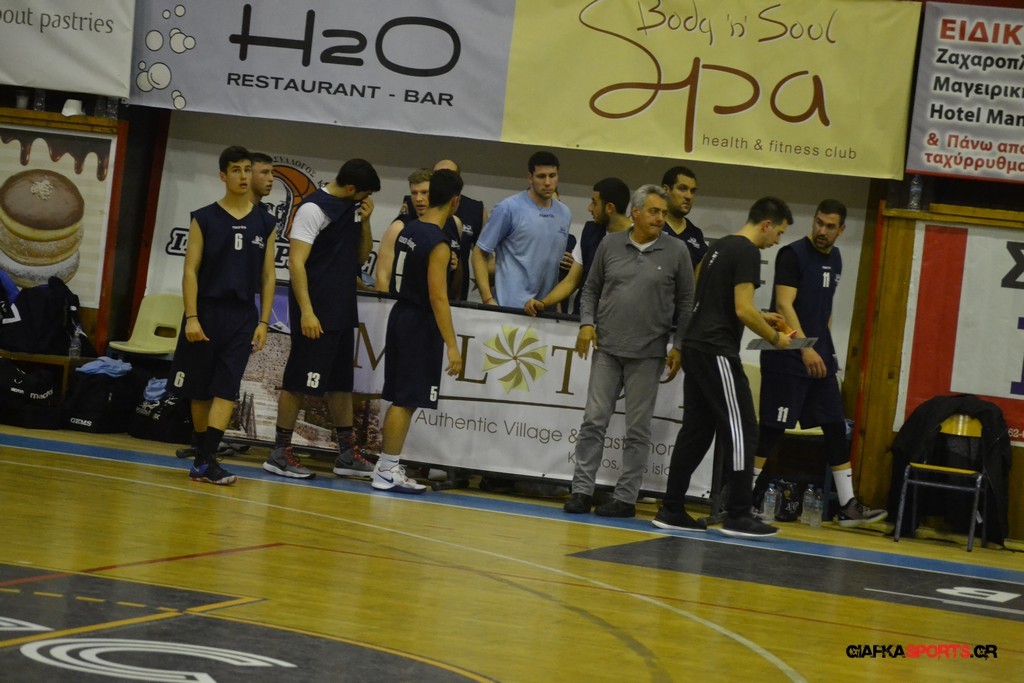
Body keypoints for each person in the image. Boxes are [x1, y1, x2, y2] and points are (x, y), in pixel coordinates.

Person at [654, 196, 794, 538]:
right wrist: (775, 339)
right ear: (766, 225)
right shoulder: (747, 251)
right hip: (716, 349)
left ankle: (672, 508)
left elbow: (712, 299)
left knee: (697, 430)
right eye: (779, 232)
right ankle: (739, 515)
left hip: (697, 345)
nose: (777, 240)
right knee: (744, 428)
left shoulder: (719, 247)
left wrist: (762, 316)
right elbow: (742, 309)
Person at [752, 200, 887, 526]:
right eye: (819, 223)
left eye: (830, 226)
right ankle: (741, 497)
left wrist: (826, 348)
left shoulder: (836, 258)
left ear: (841, 230)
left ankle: (848, 505)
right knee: (773, 428)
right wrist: (805, 347)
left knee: (834, 425)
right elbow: (784, 306)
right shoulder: (793, 255)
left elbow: (823, 310)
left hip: (819, 356)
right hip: (788, 355)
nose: (822, 231)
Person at [563, 185, 694, 517]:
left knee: (638, 429)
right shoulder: (610, 244)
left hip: (649, 354)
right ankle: (581, 491)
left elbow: (686, 303)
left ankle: (625, 498)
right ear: (635, 212)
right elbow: (590, 289)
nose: (660, 218)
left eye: (663, 213)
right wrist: (586, 324)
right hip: (607, 348)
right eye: (654, 212)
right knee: (594, 421)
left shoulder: (677, 251)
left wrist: (678, 345)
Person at [262, 159, 381, 480]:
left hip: (342, 310)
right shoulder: (313, 209)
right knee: (297, 382)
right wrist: (307, 311)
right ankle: (279, 453)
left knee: (341, 385)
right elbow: (296, 263)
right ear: (351, 187)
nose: (366, 199)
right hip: (315, 312)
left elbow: (360, 257)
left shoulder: (351, 209)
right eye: (365, 194)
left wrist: (366, 222)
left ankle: (347, 455)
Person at [171, 146, 277, 485]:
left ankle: (206, 460)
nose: (243, 176)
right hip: (206, 311)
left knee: (227, 389)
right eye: (236, 170)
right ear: (223, 175)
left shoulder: (265, 222)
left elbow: (268, 276)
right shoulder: (204, 217)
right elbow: (190, 271)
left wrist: (264, 322)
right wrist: (191, 316)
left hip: (242, 315)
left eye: (247, 169)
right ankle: (204, 460)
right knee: (200, 391)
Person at [374, 169, 464, 493]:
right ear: (455, 202)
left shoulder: (409, 228)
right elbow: (439, 297)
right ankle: (387, 468)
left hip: (400, 314)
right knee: (406, 400)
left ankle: (387, 465)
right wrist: (452, 345)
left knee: (401, 398)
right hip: (419, 321)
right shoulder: (438, 242)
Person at [472, 151, 571, 308]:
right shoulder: (508, 208)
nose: (547, 182)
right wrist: (488, 300)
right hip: (509, 308)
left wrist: (555, 305)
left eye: (552, 176)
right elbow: (479, 253)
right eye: (541, 176)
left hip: (544, 309)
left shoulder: (564, 213)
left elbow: (552, 266)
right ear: (530, 177)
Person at [524, 177, 631, 317]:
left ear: (609, 208)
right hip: (583, 318)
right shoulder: (590, 233)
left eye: (594, 203)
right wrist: (544, 303)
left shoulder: (639, 238)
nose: (589, 208)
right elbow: (570, 281)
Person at [377, 169, 462, 296]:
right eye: (414, 193)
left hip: (444, 299)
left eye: (424, 192)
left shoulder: (455, 223)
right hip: (405, 301)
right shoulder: (399, 227)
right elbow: (382, 277)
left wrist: (450, 262)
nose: (418, 199)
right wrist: (384, 305)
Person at [661, 166, 708, 268]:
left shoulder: (696, 234)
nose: (689, 196)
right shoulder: (652, 225)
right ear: (665, 190)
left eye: (692, 191)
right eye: (682, 189)